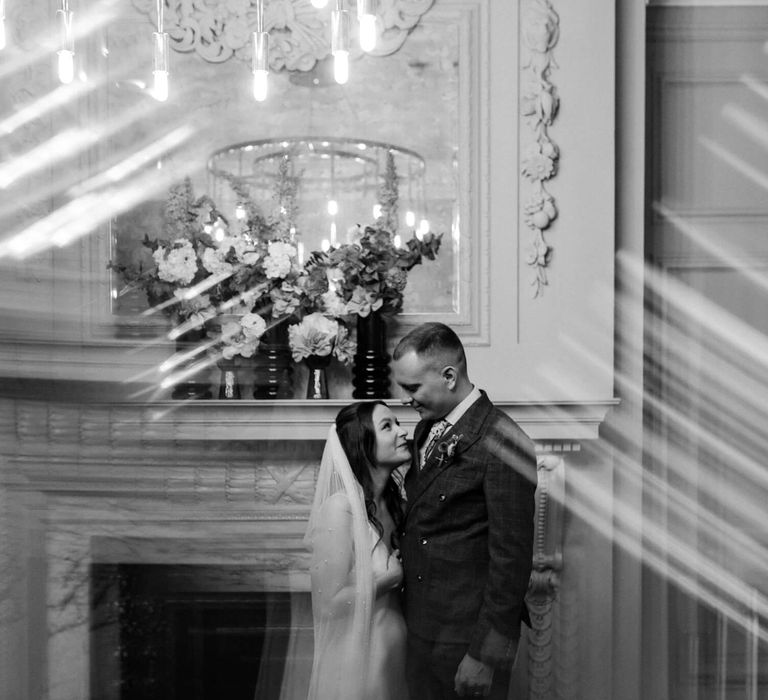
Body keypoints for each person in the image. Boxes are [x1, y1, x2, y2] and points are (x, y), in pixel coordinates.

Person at [392, 322, 537, 700]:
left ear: (449, 376)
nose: (406, 399)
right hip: (421, 631)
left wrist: (485, 657)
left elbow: (512, 562)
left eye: (412, 388)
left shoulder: (503, 440)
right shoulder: (426, 429)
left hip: (466, 643)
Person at [304, 401, 411, 700]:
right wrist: (386, 580)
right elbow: (327, 604)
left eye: (398, 422)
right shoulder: (340, 509)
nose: (403, 432)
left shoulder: (398, 506)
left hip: (396, 655)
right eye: (388, 426)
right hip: (358, 661)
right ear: (362, 445)